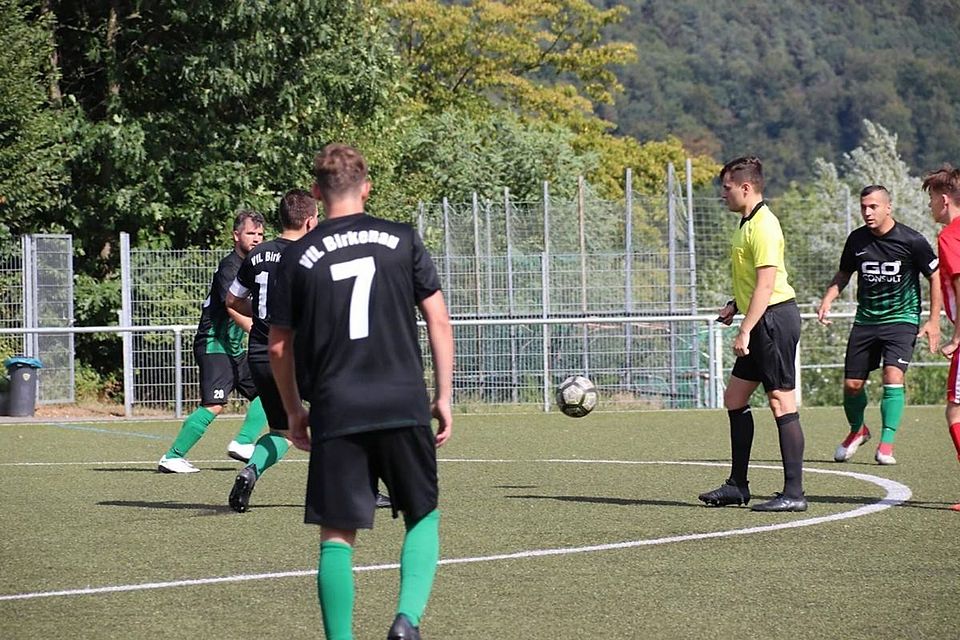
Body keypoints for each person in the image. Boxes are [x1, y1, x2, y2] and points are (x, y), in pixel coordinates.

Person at [269, 143, 453, 639]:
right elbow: (438, 318)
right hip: (401, 399)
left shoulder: (298, 255)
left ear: (315, 192)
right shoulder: (402, 239)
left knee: (337, 535)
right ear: (367, 186)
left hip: (337, 405)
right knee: (422, 513)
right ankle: (406, 620)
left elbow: (279, 346)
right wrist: (443, 395)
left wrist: (294, 411)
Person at [698, 156, 807, 512]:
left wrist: (745, 329)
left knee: (781, 401)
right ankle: (738, 486)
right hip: (761, 318)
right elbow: (750, 284)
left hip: (774, 320)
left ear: (746, 188)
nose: (723, 194)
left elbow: (766, 285)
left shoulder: (764, 225)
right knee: (735, 397)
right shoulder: (746, 222)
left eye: (727, 188)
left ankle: (794, 493)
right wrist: (734, 304)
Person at [817, 185, 941, 465]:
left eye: (873, 207)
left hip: (901, 320)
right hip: (866, 320)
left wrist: (933, 320)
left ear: (888, 207)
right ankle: (858, 430)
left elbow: (935, 276)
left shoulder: (912, 240)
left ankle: (886, 443)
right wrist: (828, 298)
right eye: (863, 207)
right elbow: (844, 273)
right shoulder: (856, 240)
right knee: (852, 385)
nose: (867, 212)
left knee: (893, 377)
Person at [157, 211, 268, 473]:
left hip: (234, 348)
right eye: (250, 233)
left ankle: (242, 443)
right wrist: (262, 332)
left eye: (260, 235)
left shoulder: (255, 266)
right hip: (214, 344)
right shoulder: (229, 267)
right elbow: (235, 307)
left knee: (269, 391)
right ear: (236, 235)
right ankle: (172, 457)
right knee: (214, 404)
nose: (256, 239)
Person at [923, 164, 960, 511]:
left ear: (945, 200)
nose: (931, 207)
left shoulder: (950, 236)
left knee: (955, 411)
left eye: (932, 200)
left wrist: (957, 336)